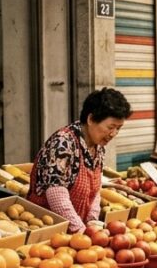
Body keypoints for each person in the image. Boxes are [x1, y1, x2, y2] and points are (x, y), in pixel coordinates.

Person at [28, 88, 132, 233]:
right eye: (111, 127)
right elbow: (56, 194)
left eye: (118, 128)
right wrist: (80, 231)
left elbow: (95, 189)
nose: (113, 134)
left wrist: (92, 221)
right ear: (90, 119)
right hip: (49, 230)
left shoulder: (98, 146)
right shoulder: (63, 143)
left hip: (78, 233)